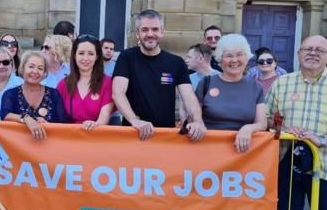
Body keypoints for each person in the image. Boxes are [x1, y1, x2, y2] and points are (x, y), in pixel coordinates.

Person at [265, 35, 327, 210]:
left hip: (324, 167)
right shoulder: (282, 83)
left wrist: (321, 140)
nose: (313, 53)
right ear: (298, 53)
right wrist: (284, 129)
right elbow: (267, 120)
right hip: (288, 164)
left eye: (320, 50)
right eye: (308, 49)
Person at [112, 9, 206, 141]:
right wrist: (135, 120)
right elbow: (118, 92)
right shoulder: (127, 57)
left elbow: (189, 96)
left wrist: (198, 120)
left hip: (164, 138)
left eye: (155, 29)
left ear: (162, 32)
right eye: (145, 30)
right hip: (133, 134)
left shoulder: (176, 62)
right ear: (137, 33)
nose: (150, 34)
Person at [195, 34, 267, 153]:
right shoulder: (206, 83)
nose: (234, 60)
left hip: (242, 153)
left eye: (239, 54)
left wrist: (248, 129)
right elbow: (193, 117)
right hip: (207, 150)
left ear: (246, 57)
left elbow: (262, 123)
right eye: (229, 56)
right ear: (220, 59)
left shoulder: (256, 87)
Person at [0, 51, 67, 140]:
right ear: (22, 69)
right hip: (17, 149)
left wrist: (48, 126)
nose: (35, 71)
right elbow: (5, 115)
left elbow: (64, 125)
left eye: (40, 68)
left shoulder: (54, 94)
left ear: (44, 73)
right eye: (31, 66)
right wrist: (27, 119)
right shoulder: (10, 94)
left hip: (49, 147)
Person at [57, 35, 114, 129]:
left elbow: (105, 116)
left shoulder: (108, 83)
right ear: (74, 55)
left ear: (97, 57)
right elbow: (56, 116)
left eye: (91, 54)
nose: (85, 58)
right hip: (69, 139)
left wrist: (95, 125)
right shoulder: (63, 84)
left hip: (95, 137)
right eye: (81, 53)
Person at [179, 43, 220, 123]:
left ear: (200, 58)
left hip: (215, 130)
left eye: (189, 57)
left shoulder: (221, 78)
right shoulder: (187, 78)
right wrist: (186, 127)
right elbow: (182, 109)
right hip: (191, 130)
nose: (186, 60)